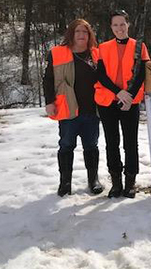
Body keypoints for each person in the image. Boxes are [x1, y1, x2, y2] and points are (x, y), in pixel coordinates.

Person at [43, 19, 104, 197]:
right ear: (71, 33)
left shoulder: (97, 54)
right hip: (68, 109)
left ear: (89, 35)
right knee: (66, 145)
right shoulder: (58, 53)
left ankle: (93, 180)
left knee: (91, 146)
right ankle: (65, 182)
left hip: (92, 111)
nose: (81, 35)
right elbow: (47, 80)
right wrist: (49, 102)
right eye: (77, 31)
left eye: (85, 32)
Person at [95, 10, 150, 198]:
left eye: (122, 24)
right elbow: (100, 75)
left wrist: (129, 97)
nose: (119, 28)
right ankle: (116, 182)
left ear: (128, 25)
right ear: (111, 27)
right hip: (107, 101)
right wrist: (119, 93)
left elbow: (142, 74)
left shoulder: (139, 46)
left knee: (130, 142)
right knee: (112, 142)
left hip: (130, 103)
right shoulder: (103, 47)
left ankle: (130, 182)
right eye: (115, 25)